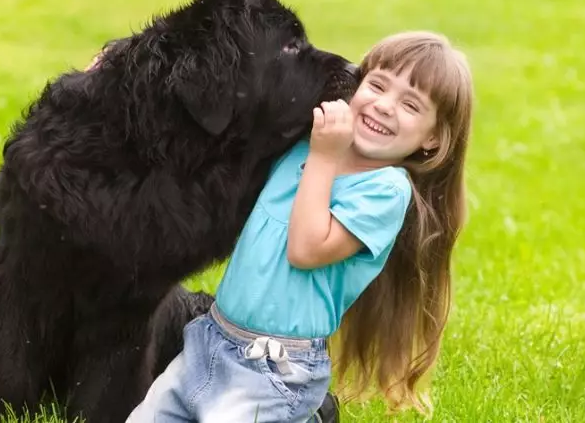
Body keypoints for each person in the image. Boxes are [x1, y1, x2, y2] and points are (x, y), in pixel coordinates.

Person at [126, 30, 474, 422]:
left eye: (411, 105)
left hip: (274, 371)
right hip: (209, 342)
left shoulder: (385, 190)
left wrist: (325, 157)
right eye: (377, 85)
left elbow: (307, 249)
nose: (384, 106)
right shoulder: (306, 141)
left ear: (432, 140)